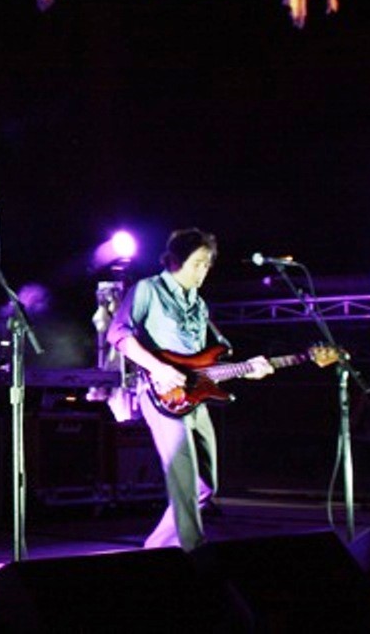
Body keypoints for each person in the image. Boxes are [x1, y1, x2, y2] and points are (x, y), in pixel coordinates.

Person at [107, 227, 273, 551]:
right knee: (183, 482)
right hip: (161, 396)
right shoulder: (148, 290)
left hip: (195, 399)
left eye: (207, 264)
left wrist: (245, 370)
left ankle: (157, 549)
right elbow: (118, 333)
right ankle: (195, 552)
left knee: (205, 486)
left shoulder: (199, 304)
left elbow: (201, 365)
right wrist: (158, 368)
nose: (203, 271)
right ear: (173, 261)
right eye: (197, 263)